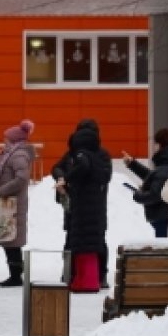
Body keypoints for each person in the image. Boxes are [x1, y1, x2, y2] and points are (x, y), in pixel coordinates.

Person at [59, 125, 111, 293]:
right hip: (93, 207)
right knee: (88, 245)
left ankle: (87, 281)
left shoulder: (83, 155)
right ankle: (84, 279)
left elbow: (83, 167)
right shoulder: (98, 158)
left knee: (84, 246)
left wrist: (66, 180)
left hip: (83, 207)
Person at [0, 120, 35, 287]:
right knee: (9, 241)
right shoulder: (9, 154)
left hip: (12, 204)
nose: (4, 141)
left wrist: (3, 190)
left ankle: (16, 276)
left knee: (12, 242)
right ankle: (14, 275)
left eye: (6, 138)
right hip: (7, 203)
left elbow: (22, 178)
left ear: (14, 140)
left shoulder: (18, 155)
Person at [121, 129, 168, 238]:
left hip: (163, 217)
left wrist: (138, 194)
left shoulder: (164, 168)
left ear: (160, 145)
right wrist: (133, 164)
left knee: (164, 250)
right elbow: (155, 177)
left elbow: (156, 194)